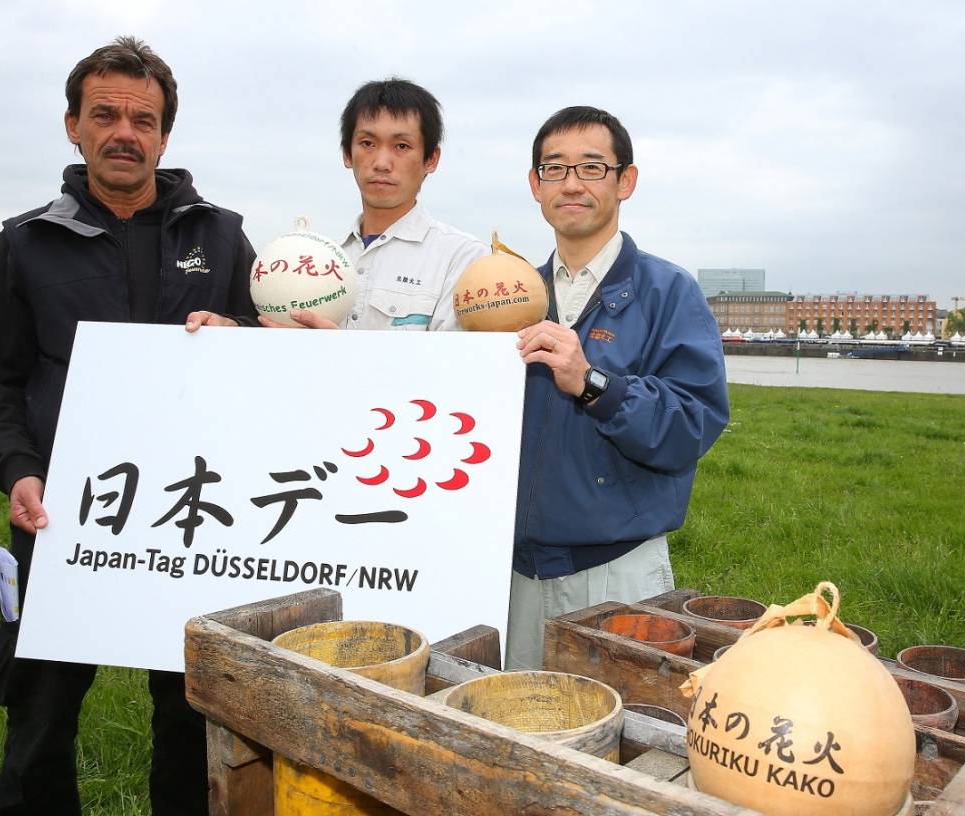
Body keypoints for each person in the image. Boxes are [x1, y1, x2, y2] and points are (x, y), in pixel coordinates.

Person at [0, 36, 255, 815]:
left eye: (143, 119)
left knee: (191, 722)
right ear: (73, 126)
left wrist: (241, 336)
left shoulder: (220, 236)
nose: (126, 132)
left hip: (196, 523)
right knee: (39, 722)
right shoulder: (25, 243)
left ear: (164, 134)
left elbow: (272, 353)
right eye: (106, 114)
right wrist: (18, 470)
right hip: (60, 521)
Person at [506, 106, 730, 670]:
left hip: (616, 572)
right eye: (554, 169)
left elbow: (691, 425)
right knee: (512, 739)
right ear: (535, 185)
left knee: (618, 744)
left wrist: (593, 384)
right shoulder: (509, 296)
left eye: (592, 167)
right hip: (510, 573)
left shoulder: (669, 292)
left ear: (625, 180)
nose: (572, 183)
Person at [262, 78, 486, 331]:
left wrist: (332, 351)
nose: (381, 163)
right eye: (367, 144)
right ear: (347, 153)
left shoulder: (463, 258)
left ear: (431, 159)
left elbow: (453, 365)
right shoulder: (316, 259)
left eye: (401, 146)